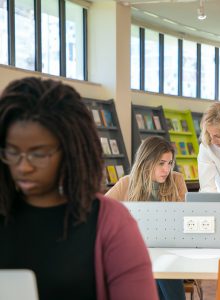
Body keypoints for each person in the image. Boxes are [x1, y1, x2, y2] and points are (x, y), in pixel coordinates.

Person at [0, 77, 158, 300]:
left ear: (71, 151)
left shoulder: (111, 222)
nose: (23, 166)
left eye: (39, 154)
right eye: (13, 152)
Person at [106, 135, 187, 300]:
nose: (167, 169)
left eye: (170, 163)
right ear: (146, 162)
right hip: (134, 252)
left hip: (168, 250)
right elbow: (100, 212)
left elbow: (185, 218)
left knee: (162, 269)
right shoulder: (126, 183)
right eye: (161, 163)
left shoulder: (176, 180)